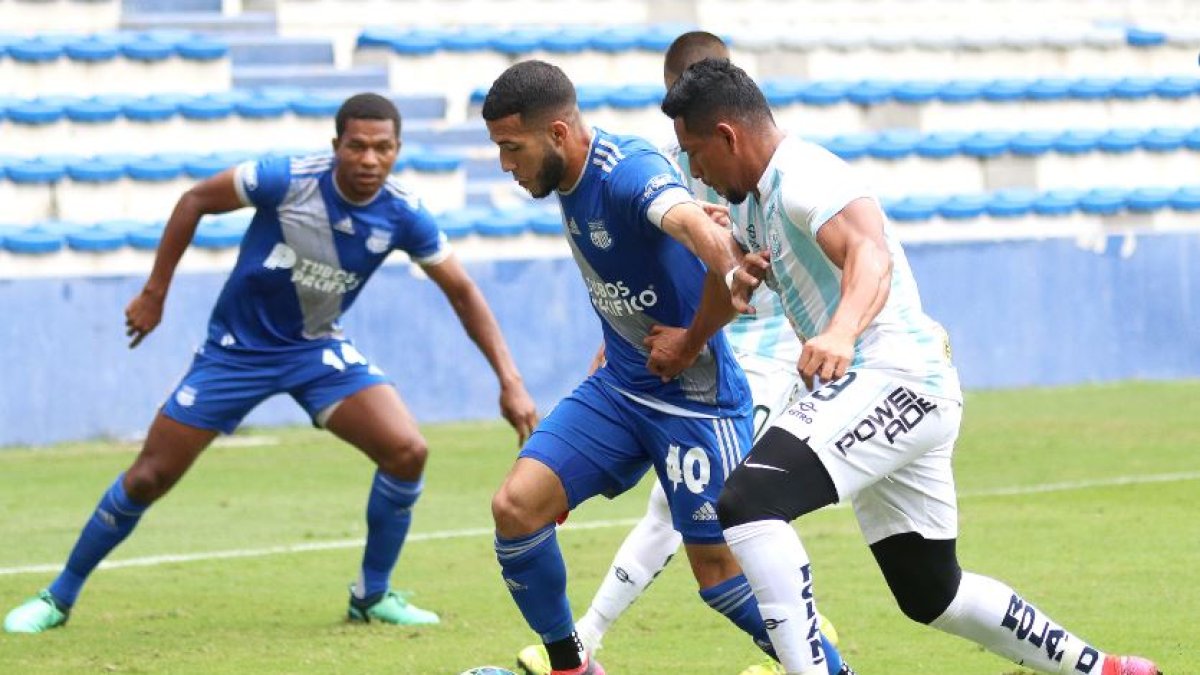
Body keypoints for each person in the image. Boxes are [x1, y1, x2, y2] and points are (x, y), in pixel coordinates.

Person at [657, 57, 1161, 675]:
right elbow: (730, 279)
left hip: (891, 374)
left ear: (728, 136)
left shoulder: (805, 176)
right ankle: (1105, 669)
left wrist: (841, 332)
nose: (693, 169)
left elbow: (869, 252)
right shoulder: (751, 200)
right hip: (895, 386)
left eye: (694, 152)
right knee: (932, 593)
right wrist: (689, 342)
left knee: (748, 500)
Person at [3, 93, 539, 634]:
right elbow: (193, 200)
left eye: (383, 148)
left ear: (398, 151)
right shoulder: (285, 180)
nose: (369, 160)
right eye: (357, 146)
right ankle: (58, 596)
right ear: (337, 147)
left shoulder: (403, 213)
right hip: (236, 352)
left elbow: (464, 292)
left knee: (407, 451)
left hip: (314, 350)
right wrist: (154, 293)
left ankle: (371, 596)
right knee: (149, 476)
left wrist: (510, 381)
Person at [516, 31, 849, 675]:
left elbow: (730, 256)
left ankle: (793, 641)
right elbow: (645, 276)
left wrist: (709, 311)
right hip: (677, 347)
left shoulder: (762, 157)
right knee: (706, 518)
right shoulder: (668, 155)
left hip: (758, 352)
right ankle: (792, 638)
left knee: (710, 517)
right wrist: (611, 353)